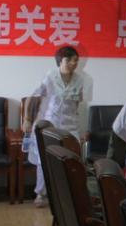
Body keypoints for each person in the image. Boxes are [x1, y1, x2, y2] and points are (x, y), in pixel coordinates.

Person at [21, 45, 91, 207]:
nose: (73, 63)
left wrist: (79, 129)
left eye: (76, 60)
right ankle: (41, 194)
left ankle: (67, 194)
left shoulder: (79, 80)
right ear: (60, 61)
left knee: (71, 159)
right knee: (44, 160)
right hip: (50, 124)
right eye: (70, 60)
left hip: (70, 125)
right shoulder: (50, 77)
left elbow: (76, 106)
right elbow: (33, 99)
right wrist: (27, 119)